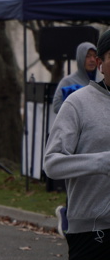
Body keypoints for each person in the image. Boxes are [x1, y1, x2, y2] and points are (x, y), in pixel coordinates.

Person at [43, 28, 110, 260]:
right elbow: (52, 163)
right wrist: (101, 162)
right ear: (100, 61)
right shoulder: (79, 103)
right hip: (91, 223)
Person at [51, 41, 99, 238]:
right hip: (76, 140)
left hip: (96, 138)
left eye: (94, 56)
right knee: (77, 179)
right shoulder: (68, 82)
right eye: (87, 56)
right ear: (80, 58)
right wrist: (74, 103)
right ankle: (67, 214)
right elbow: (56, 105)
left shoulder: (102, 80)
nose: (91, 60)